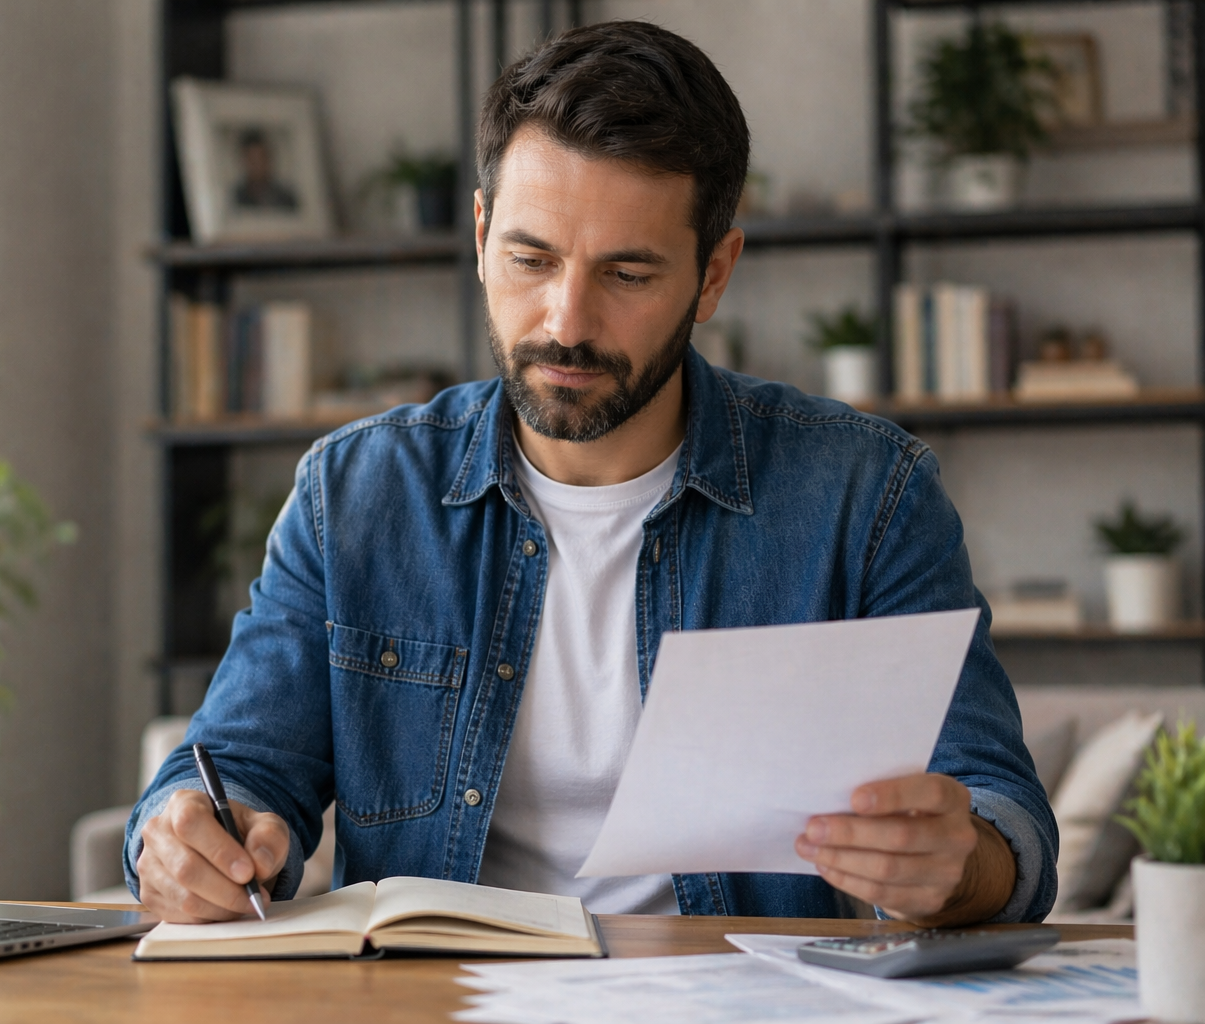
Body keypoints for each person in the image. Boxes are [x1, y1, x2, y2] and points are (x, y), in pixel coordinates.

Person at [127, 21, 1056, 927]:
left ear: (714, 274)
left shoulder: (867, 495)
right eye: (531, 259)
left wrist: (959, 864)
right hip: (435, 1001)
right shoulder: (355, 493)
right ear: (482, 233)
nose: (566, 321)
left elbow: (1003, 821)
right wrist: (186, 843)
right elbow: (235, 766)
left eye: (628, 274)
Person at [232, 129, 299, 211]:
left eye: (260, 158)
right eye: (252, 160)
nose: (257, 165)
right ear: (244, 161)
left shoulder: (285, 199)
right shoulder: (235, 199)